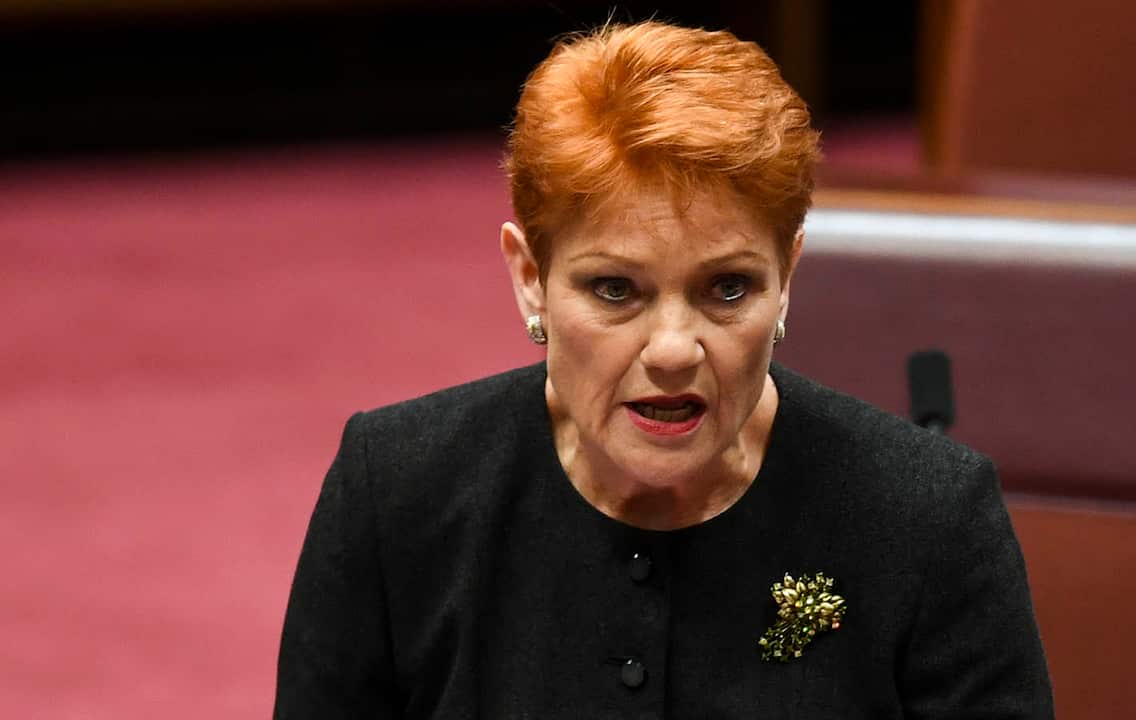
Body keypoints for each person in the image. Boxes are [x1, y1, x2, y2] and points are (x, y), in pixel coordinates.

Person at [274, 20, 1053, 719]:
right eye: (616, 290)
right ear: (530, 278)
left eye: (727, 289)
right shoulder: (396, 493)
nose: (674, 350)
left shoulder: (928, 520)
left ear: (788, 278)